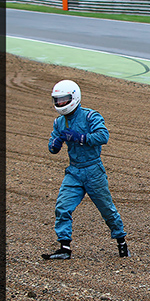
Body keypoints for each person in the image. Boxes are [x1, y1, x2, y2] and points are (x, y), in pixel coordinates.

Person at [42, 80, 128, 260]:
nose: (60, 104)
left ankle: (121, 241)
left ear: (74, 97)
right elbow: (52, 147)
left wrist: (81, 137)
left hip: (93, 170)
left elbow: (103, 136)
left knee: (106, 209)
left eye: (64, 100)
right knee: (62, 207)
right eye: (57, 100)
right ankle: (64, 248)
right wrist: (55, 144)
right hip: (74, 172)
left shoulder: (90, 116)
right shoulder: (59, 122)